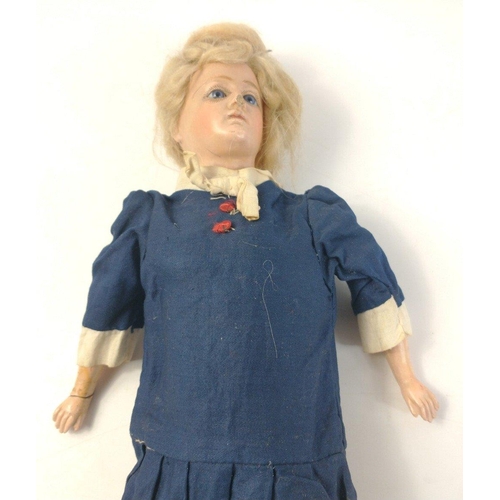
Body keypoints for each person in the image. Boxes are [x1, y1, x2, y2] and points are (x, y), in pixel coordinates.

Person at [53, 23, 438, 500]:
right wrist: (82, 389)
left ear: (266, 126)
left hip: (293, 457)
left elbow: (372, 278)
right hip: (179, 452)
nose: (236, 102)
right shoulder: (151, 220)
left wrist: (407, 378)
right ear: (177, 126)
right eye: (216, 92)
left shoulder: (311, 217)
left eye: (250, 98)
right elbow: (108, 302)